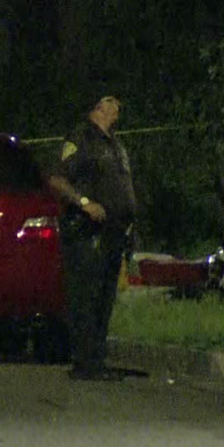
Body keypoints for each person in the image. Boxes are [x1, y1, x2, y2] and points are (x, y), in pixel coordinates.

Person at [48, 95, 137, 381]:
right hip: (87, 232)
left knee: (104, 298)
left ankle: (97, 360)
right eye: (111, 102)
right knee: (87, 296)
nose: (117, 108)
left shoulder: (114, 143)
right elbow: (58, 180)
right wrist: (84, 202)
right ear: (97, 108)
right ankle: (84, 362)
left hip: (113, 233)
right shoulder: (81, 139)